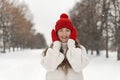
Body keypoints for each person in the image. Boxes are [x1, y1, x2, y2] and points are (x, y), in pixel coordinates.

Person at [41, 13, 89, 80]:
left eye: (67, 30)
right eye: (61, 31)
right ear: (56, 33)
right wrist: (56, 45)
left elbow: (78, 67)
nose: (64, 34)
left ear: (71, 32)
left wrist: (71, 45)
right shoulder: (49, 51)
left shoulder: (80, 49)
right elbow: (49, 67)